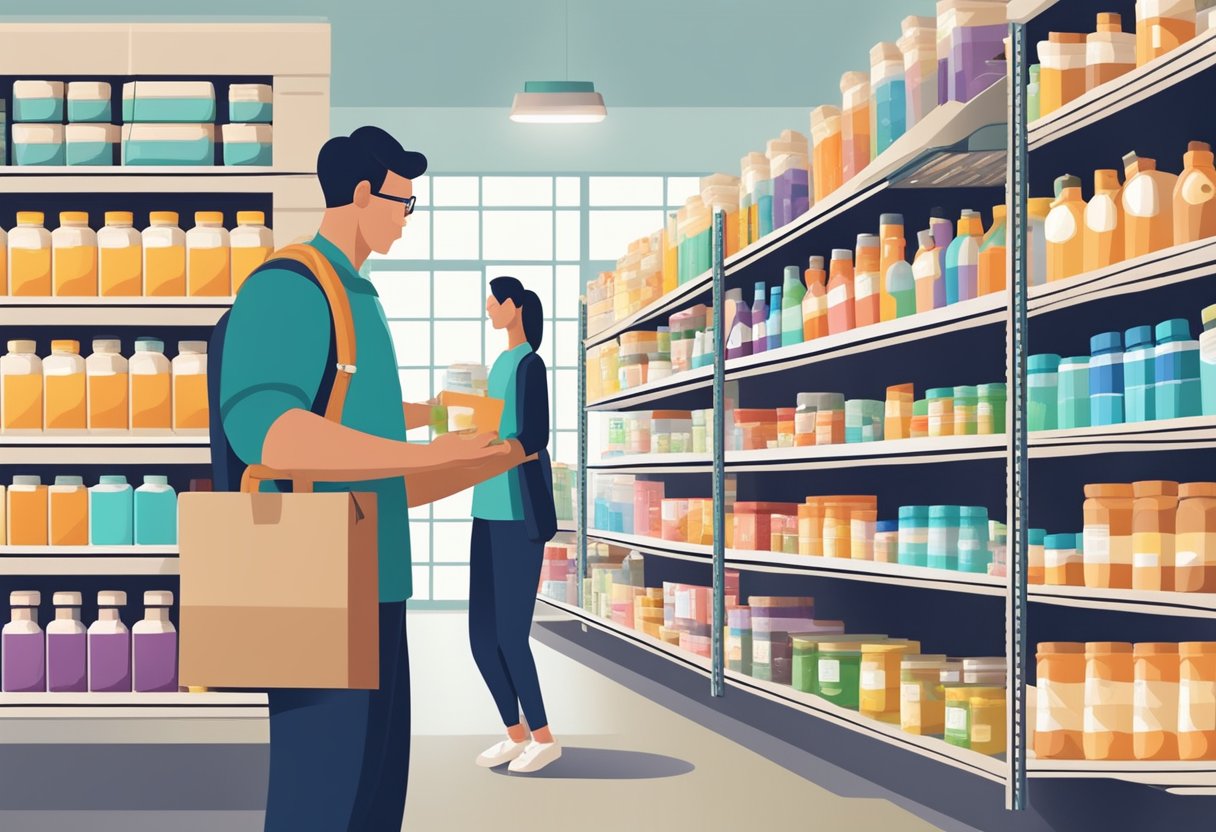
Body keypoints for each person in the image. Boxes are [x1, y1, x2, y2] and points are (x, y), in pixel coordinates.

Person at [218, 127, 525, 831]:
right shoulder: (289, 285)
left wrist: (466, 462)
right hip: (314, 589)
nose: (407, 216)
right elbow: (265, 429)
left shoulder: (361, 298)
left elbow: (377, 473)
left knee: (374, 801)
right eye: (404, 203)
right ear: (362, 194)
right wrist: (430, 451)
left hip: (378, 584)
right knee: (320, 799)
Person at [468, 276, 562, 774]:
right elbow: (489, 427)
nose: (488, 307)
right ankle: (514, 732)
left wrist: (492, 450)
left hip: (516, 512)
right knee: (480, 634)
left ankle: (544, 737)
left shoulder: (530, 364)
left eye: (494, 300)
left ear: (515, 306)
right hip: (484, 510)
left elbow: (532, 436)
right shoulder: (499, 365)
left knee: (510, 634)